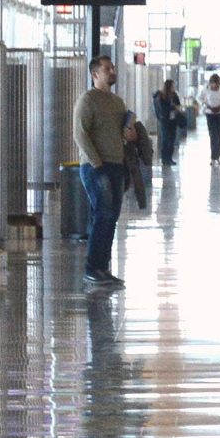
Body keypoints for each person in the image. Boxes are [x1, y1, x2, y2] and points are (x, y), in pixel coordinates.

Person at [73, 59, 135, 290]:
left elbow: (121, 133)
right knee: (103, 215)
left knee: (111, 217)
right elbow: (80, 134)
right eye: (107, 69)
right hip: (96, 167)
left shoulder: (117, 102)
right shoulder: (88, 100)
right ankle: (92, 268)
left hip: (116, 165)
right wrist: (96, 163)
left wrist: (130, 136)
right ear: (94, 74)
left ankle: (102, 268)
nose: (112, 71)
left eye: (112, 67)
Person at [201, 74, 220, 163]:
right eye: (213, 84)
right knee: (213, 135)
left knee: (219, 136)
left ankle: (217, 156)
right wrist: (206, 104)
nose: (214, 86)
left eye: (216, 84)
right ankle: (213, 157)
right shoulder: (206, 88)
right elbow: (199, 97)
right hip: (210, 114)